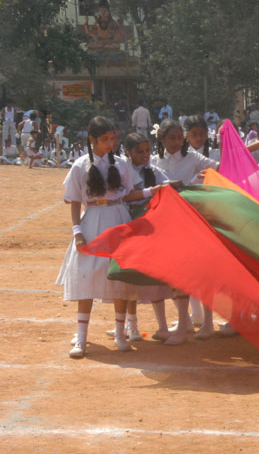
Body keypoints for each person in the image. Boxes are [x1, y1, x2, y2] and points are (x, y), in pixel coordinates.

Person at [57, 116, 159, 358]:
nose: (110, 143)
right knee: (87, 276)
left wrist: (152, 191)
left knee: (119, 277)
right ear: (92, 139)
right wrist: (77, 231)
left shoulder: (121, 164)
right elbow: (74, 201)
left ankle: (120, 334)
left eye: (112, 138)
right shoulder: (80, 165)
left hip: (118, 218)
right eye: (105, 139)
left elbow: (128, 194)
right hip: (92, 220)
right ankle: (81, 338)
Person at [151, 120, 219, 344]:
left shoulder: (193, 158)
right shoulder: (155, 161)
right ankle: (184, 322)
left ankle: (207, 322)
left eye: (179, 138)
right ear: (162, 139)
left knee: (201, 272)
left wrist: (204, 179)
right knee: (174, 274)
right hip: (167, 222)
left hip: (192, 220)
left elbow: (219, 166)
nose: (176, 142)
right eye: (171, 138)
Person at [120, 131, 174, 342]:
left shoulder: (154, 171)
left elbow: (168, 186)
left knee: (152, 275)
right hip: (128, 224)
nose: (145, 155)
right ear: (128, 152)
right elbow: (123, 196)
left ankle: (159, 325)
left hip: (149, 228)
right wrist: (152, 191)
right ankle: (129, 324)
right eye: (139, 152)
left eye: (147, 151)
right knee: (127, 276)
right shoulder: (122, 169)